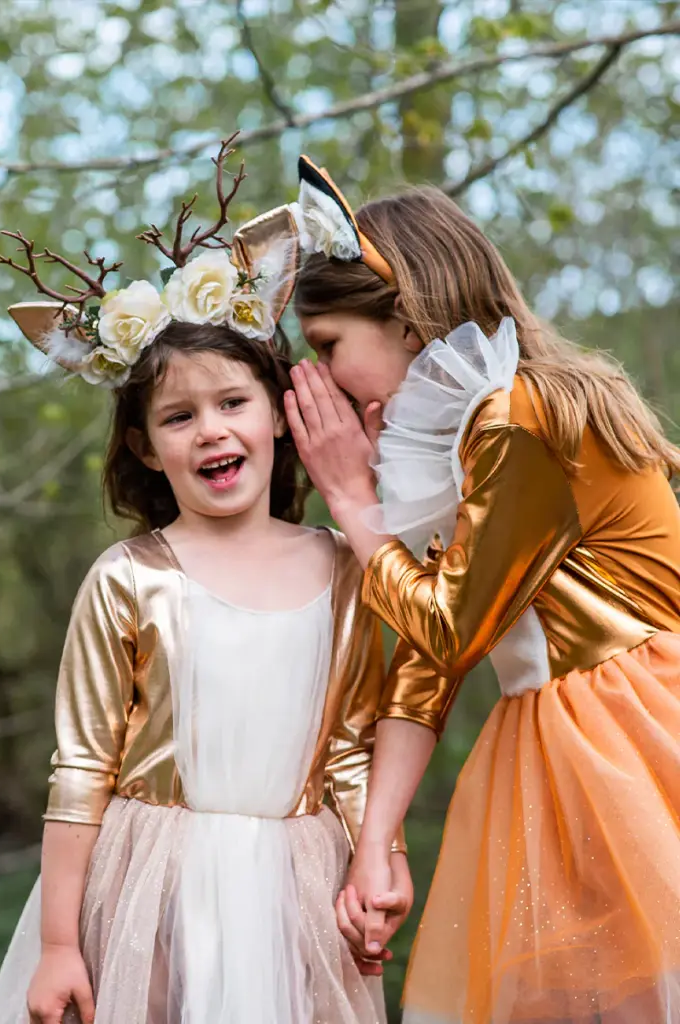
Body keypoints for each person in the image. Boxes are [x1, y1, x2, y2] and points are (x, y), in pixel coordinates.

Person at [0, 140, 408, 1024]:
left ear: (280, 412)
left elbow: (351, 750)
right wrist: (62, 943)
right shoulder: (129, 579)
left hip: (298, 888)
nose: (211, 431)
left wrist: (380, 858)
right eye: (179, 416)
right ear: (145, 445)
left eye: (232, 403)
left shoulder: (340, 567)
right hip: (151, 888)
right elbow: (82, 768)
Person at [284, 153, 680, 1024]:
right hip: (557, 740)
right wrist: (376, 839)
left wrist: (353, 502)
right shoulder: (459, 436)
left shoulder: (519, 415)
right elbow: (430, 660)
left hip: (631, 731)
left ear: (407, 315)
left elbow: (453, 628)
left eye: (328, 349)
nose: (322, 384)